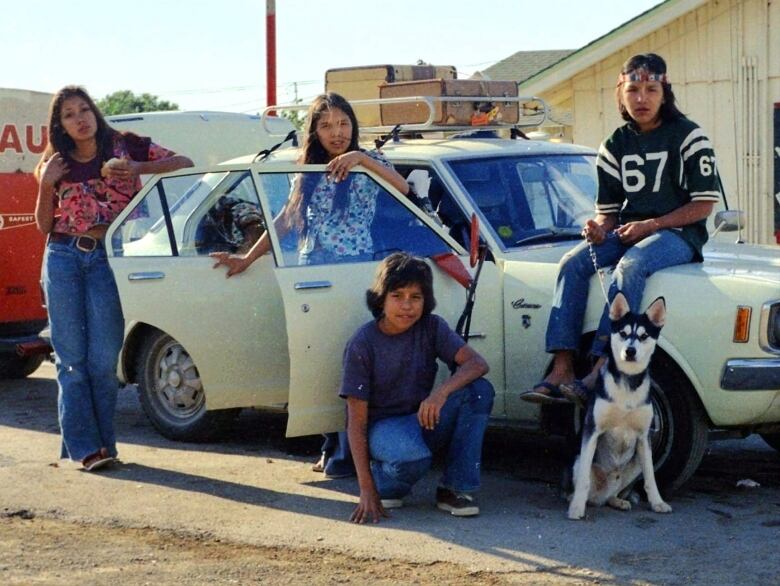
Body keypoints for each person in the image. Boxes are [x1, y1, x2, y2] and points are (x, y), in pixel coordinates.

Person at [211, 92, 410, 477]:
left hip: (352, 273)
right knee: (318, 363)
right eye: (326, 125)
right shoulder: (307, 171)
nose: (337, 133)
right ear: (314, 132)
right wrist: (248, 258)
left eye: (343, 123)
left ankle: (345, 454)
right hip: (309, 273)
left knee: (351, 365)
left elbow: (402, 188)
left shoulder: (370, 164)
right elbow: (286, 220)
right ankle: (331, 448)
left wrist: (361, 159)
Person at [521, 53, 722, 406]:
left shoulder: (689, 136)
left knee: (631, 264)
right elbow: (607, 216)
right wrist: (597, 231)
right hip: (632, 230)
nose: (642, 99)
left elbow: (704, 205)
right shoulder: (615, 144)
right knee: (573, 262)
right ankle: (563, 367)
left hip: (679, 234)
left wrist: (653, 224)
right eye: (633, 89)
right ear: (621, 91)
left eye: (651, 89)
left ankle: (602, 363)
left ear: (665, 91)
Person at [34, 86, 193, 471]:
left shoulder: (125, 146)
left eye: (84, 109)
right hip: (64, 258)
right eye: (69, 114)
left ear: (95, 112)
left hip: (110, 258)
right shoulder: (54, 162)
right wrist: (45, 183)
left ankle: (105, 446)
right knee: (71, 359)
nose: (79, 119)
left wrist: (137, 169)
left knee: (104, 360)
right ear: (60, 124)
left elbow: (183, 162)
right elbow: (43, 225)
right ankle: (85, 449)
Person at [341, 252, 494, 524]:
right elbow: (356, 422)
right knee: (412, 459)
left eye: (416, 297)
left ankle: (455, 489)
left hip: (421, 420)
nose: (407, 306)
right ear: (381, 298)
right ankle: (381, 481)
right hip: (384, 429)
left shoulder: (431, 327)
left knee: (479, 390)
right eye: (397, 296)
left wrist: (440, 393)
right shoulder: (362, 344)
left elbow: (477, 363)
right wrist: (365, 490)